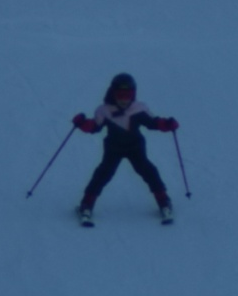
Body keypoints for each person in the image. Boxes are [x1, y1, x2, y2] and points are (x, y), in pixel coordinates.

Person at [73, 73, 179, 224]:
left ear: (133, 94)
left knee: (148, 171)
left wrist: (167, 124)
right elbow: (95, 126)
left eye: (128, 95)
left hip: (135, 147)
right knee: (103, 174)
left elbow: (153, 122)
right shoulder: (104, 110)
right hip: (113, 148)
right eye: (120, 95)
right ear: (113, 93)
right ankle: (86, 205)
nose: (124, 99)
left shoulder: (138, 109)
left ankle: (164, 202)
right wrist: (82, 124)